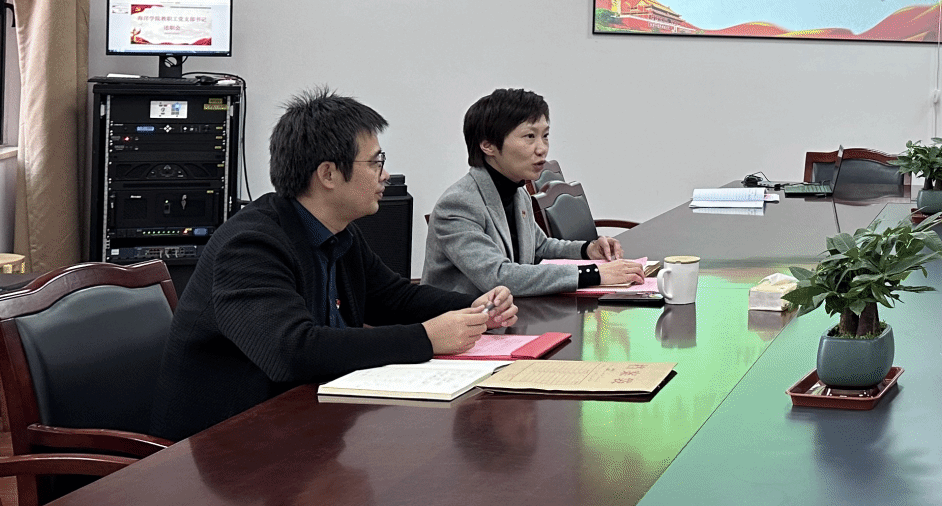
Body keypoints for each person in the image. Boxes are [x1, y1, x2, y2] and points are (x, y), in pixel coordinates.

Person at [151, 89, 517, 442]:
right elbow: (291, 352)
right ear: (328, 174)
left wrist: (474, 307)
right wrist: (426, 338)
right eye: (375, 162)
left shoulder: (339, 232)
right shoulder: (250, 245)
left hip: (303, 423)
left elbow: (393, 298)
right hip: (223, 447)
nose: (385, 175)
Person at [422, 88, 644, 296]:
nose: (542, 148)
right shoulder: (458, 205)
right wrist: (593, 274)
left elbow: (540, 246)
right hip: (463, 320)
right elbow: (498, 276)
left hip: (511, 312)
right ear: (488, 145)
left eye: (545, 135)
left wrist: (588, 250)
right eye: (530, 136)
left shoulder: (517, 191)